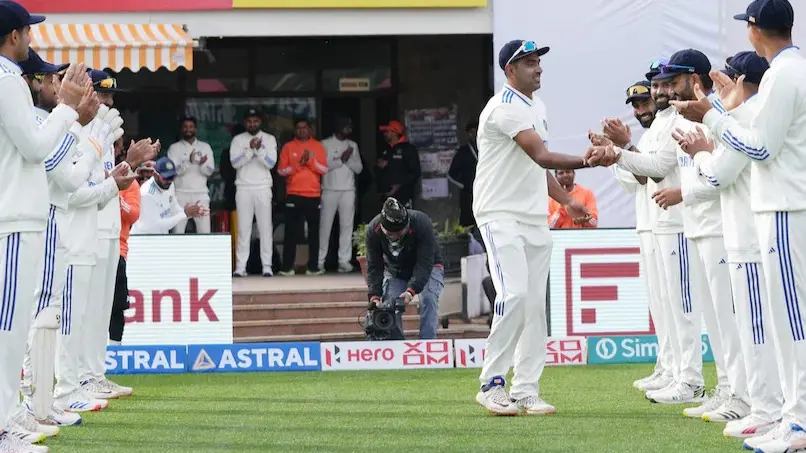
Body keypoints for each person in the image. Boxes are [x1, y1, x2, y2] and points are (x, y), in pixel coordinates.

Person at [672, 1, 806, 450]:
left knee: (790, 323)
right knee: (784, 323)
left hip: (784, 209)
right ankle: (790, 416)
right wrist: (719, 117)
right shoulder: (787, 70)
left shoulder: (784, 74)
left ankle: (798, 419)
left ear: (754, 29)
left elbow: (762, 149)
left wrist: (711, 118)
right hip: (778, 209)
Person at [592, 51, 749, 413]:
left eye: (669, 82)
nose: (660, 90)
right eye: (658, 84)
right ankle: (723, 388)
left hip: (712, 227)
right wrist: (617, 153)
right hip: (693, 226)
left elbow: (719, 172)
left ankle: (707, 384)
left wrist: (620, 152)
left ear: (693, 78)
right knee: (706, 316)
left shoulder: (713, 116)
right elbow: (658, 168)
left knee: (715, 316)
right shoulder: (676, 118)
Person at [472, 40, 591, 416]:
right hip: (500, 213)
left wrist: (569, 200)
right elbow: (542, 155)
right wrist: (592, 161)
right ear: (510, 71)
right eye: (528, 63)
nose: (538, 68)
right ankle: (492, 383)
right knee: (515, 295)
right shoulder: (503, 108)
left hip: (534, 215)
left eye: (538, 62)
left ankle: (526, 389)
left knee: (536, 306)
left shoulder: (536, 106)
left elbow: (535, 168)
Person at [0, 3, 93, 449]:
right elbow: (38, 149)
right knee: (9, 328)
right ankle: (2, 423)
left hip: (22, 217)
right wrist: (69, 110)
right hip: (14, 218)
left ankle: (8, 414)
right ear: (14, 36)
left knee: (15, 327)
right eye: (27, 33)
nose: (31, 40)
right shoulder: (5, 80)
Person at [18, 48, 100, 434]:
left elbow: (68, 175)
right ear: (36, 82)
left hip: (51, 215)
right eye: (51, 79)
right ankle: (35, 404)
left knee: (45, 312)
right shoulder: (38, 117)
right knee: (40, 313)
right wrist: (85, 130)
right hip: (45, 215)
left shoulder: (47, 118)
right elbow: (60, 172)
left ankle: (40, 403)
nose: (57, 84)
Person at [79, 68, 154, 403]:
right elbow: (87, 182)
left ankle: (95, 374)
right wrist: (129, 164)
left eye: (111, 96)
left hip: (109, 223)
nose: (109, 101)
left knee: (102, 309)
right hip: (89, 224)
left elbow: (109, 179)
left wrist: (130, 164)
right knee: (87, 309)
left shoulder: (105, 134)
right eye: (103, 95)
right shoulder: (83, 131)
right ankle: (81, 378)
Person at [595, 79, 674, 393]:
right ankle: (666, 366)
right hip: (648, 224)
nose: (641, 110)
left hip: (669, 225)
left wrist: (623, 148)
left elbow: (646, 174)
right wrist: (612, 154)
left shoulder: (665, 132)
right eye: (637, 106)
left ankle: (680, 372)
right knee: (658, 303)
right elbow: (634, 183)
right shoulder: (650, 136)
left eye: (645, 103)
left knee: (672, 304)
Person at [56, 106, 134, 417]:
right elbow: (73, 191)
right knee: (74, 317)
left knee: (97, 313)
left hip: (99, 231)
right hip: (76, 237)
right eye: (99, 95)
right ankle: (70, 386)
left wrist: (114, 179)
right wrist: (112, 183)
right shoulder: (74, 135)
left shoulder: (97, 136)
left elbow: (94, 185)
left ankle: (87, 378)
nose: (103, 103)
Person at [365, 198, 444, 339]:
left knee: (429, 299)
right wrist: (374, 296)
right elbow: (374, 266)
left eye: (400, 233)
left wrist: (410, 291)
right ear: (382, 228)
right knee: (389, 304)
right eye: (390, 234)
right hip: (396, 269)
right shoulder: (373, 230)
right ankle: (397, 346)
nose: (395, 237)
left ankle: (428, 344)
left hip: (429, 265)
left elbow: (424, 263)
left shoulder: (421, 223)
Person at [230, 108, 277, 277]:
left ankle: (267, 266)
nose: (252, 124)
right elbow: (235, 163)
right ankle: (241, 267)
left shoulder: (270, 139)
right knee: (244, 229)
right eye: (249, 121)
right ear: (245, 123)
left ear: (260, 122)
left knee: (265, 228)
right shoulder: (238, 140)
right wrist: (249, 150)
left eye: (255, 121)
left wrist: (259, 150)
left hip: (263, 188)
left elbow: (271, 163)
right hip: (243, 188)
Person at [277, 118, 328, 276]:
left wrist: (311, 162)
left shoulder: (317, 146)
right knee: (291, 232)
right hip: (294, 194)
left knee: (314, 233)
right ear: (295, 130)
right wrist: (298, 165)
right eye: (298, 128)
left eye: (304, 128)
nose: (301, 131)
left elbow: (324, 169)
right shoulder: (288, 147)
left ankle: (313, 267)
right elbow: (281, 171)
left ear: (309, 129)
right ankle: (287, 267)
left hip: (313, 194)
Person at [319, 116, 362, 273]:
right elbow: (322, 167)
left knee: (347, 226)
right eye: (345, 126)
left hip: (348, 191)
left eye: (350, 127)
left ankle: (344, 260)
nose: (349, 129)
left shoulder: (353, 145)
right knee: (325, 226)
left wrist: (348, 159)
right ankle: (320, 261)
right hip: (329, 190)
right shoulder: (325, 144)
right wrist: (340, 160)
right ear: (338, 127)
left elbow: (359, 168)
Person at [111, 138, 142, 346]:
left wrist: (116, 199)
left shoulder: (131, 182)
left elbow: (134, 214)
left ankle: (115, 350)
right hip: (91, 246)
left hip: (117, 249)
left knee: (118, 304)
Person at [131, 157, 207, 235]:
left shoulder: (170, 185)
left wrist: (191, 212)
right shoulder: (147, 194)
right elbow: (158, 225)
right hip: (142, 239)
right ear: (155, 175)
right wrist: (185, 214)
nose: (169, 181)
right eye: (166, 178)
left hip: (159, 237)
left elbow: (174, 208)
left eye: (172, 177)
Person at [167, 116, 214, 234]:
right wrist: (189, 161)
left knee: (204, 233)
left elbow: (210, 171)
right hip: (180, 194)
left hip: (201, 194)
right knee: (178, 232)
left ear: (196, 129)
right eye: (185, 127)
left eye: (191, 127)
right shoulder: (174, 148)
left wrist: (202, 164)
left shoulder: (205, 147)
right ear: (181, 129)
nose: (188, 129)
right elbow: (172, 172)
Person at [375, 120, 421, 208]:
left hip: (404, 197)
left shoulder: (408, 149)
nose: (385, 134)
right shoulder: (385, 150)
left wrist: (399, 185)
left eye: (387, 132)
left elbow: (415, 173)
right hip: (386, 198)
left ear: (394, 133)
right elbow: (378, 171)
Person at [447, 122, 479, 228]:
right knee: (467, 223)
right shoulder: (462, 152)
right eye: (471, 132)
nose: (474, 135)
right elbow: (451, 174)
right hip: (468, 195)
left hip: (485, 192)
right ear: (467, 134)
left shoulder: (486, 150)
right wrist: (465, 186)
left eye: (476, 132)